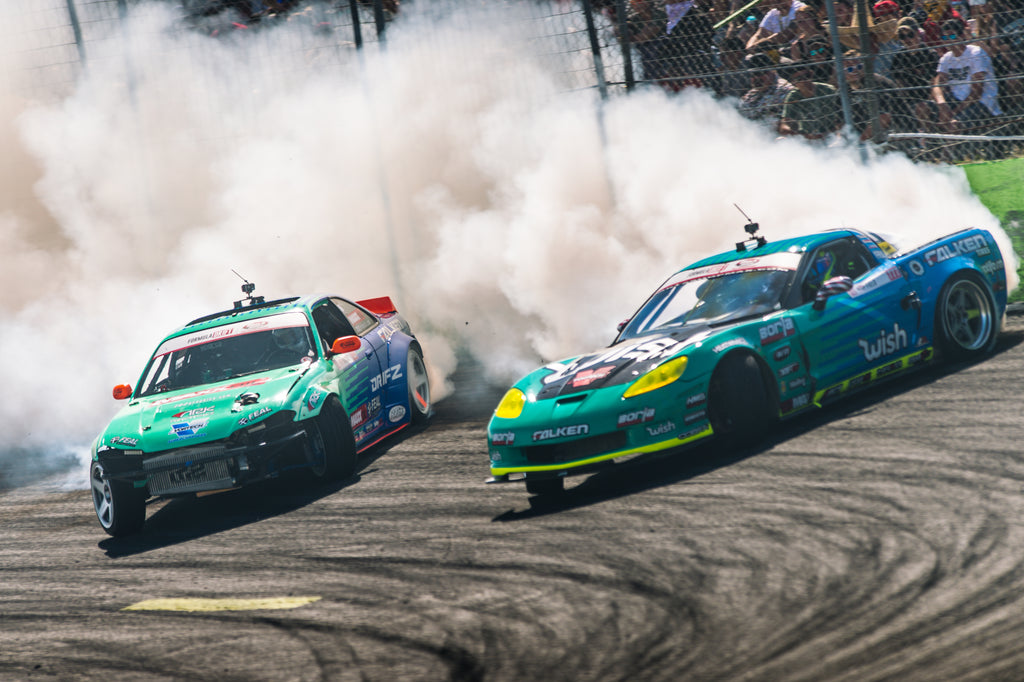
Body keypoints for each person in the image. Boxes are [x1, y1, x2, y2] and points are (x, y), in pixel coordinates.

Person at [928, 17, 1002, 131]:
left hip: (981, 102)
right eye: (945, 37)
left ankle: (949, 142)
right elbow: (937, 84)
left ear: (962, 36)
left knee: (954, 124)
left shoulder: (975, 53)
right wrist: (942, 104)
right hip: (956, 99)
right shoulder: (946, 58)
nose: (948, 40)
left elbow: (976, 93)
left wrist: (952, 114)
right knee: (923, 107)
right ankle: (924, 139)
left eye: (952, 36)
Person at [628, 0, 716, 91]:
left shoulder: (696, 14)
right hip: (664, 55)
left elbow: (700, 41)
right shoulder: (661, 11)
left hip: (688, 55)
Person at [890, 16, 941, 129]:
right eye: (902, 36)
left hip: (929, 99)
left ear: (918, 33)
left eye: (910, 34)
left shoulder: (930, 54)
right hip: (909, 101)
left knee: (921, 107)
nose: (907, 39)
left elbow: (934, 84)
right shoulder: (899, 57)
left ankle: (926, 136)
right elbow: (899, 85)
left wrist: (927, 101)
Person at [842, 49, 900, 140]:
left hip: (892, 131)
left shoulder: (876, 83)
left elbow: (884, 118)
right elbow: (839, 123)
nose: (855, 71)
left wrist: (860, 142)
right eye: (850, 69)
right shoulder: (844, 91)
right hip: (862, 135)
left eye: (859, 67)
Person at [779, 61, 843, 139]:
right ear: (793, 82)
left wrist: (831, 134)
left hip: (830, 133)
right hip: (806, 136)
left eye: (807, 76)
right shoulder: (793, 96)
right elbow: (785, 123)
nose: (804, 81)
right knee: (781, 140)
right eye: (799, 79)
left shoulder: (828, 90)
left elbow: (841, 118)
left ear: (811, 75)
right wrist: (799, 135)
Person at [737, 52, 796, 128]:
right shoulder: (750, 96)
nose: (756, 78)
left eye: (761, 73)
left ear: (773, 71)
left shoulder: (785, 90)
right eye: (753, 74)